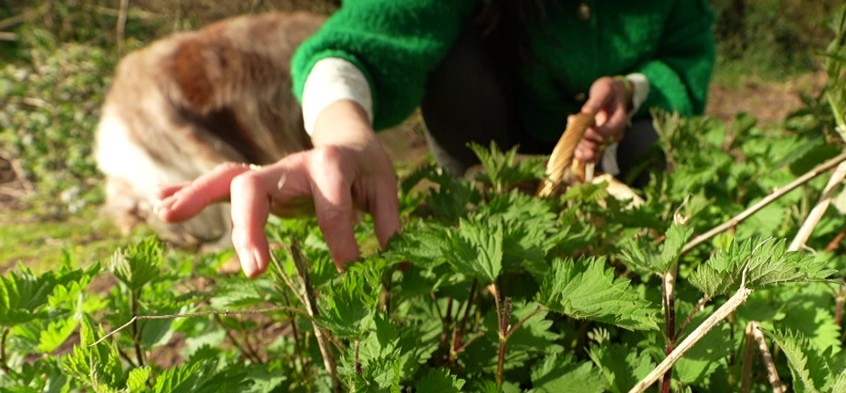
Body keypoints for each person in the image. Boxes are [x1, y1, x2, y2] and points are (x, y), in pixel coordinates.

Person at [155, 1, 716, 278]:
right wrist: (345, 136)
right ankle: (476, 219)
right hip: (494, 136)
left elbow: (688, 60)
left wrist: (630, 88)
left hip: (612, 138)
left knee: (648, 180)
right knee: (456, 55)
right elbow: (354, 47)